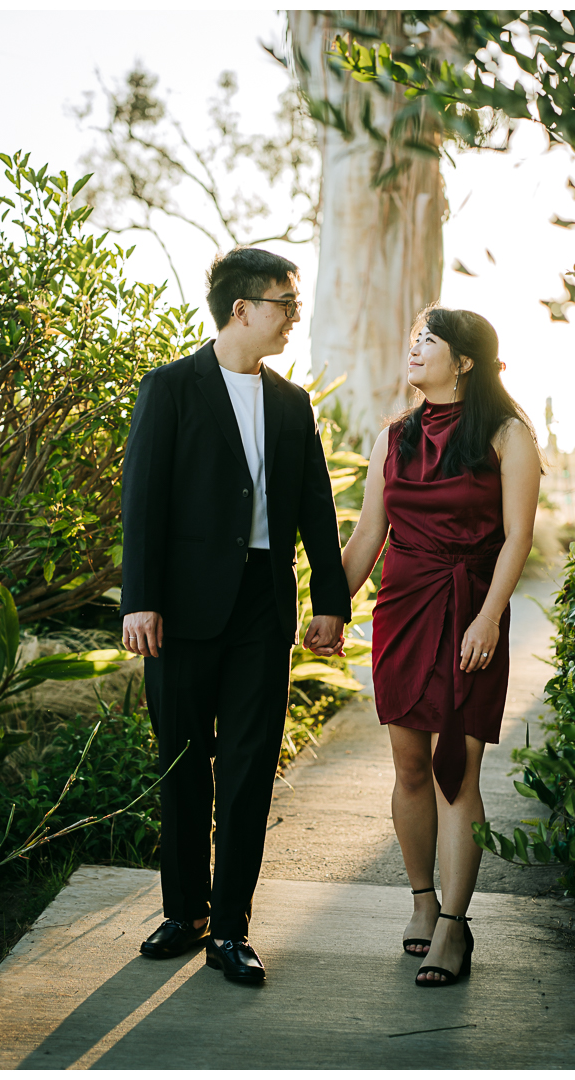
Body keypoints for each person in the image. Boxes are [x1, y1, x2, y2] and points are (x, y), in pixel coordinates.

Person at [119, 246, 350, 983]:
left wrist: (331, 604)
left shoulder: (291, 403)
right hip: (178, 609)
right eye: (285, 304)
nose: (294, 318)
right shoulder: (170, 388)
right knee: (182, 763)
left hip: (262, 603)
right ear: (242, 309)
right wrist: (140, 600)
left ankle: (231, 930)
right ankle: (183, 914)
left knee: (249, 769)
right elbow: (143, 502)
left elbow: (317, 503)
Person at [341, 304, 541, 987]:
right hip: (402, 608)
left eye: (430, 340)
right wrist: (327, 611)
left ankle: (455, 928)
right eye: (414, 339)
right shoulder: (392, 437)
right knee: (407, 768)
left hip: (470, 610)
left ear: (465, 361)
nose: (414, 347)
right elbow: (368, 536)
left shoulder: (508, 434)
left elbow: (518, 536)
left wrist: (488, 618)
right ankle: (422, 901)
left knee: (458, 771)